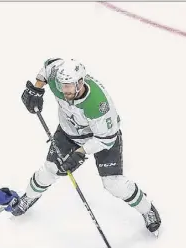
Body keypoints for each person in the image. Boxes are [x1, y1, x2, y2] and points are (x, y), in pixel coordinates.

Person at [13, 58, 161, 236]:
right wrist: (36, 89)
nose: (64, 90)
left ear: (80, 82)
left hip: (102, 138)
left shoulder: (99, 105)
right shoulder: (57, 76)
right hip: (69, 133)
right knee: (50, 170)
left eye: (69, 85)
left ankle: (147, 209)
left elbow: (105, 139)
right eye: (62, 85)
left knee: (113, 184)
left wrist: (80, 153)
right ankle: (29, 197)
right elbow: (48, 66)